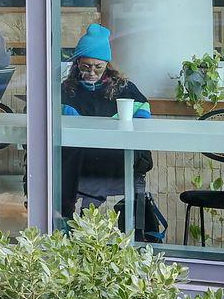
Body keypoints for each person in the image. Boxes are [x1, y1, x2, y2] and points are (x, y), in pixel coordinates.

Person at [57, 25, 158, 236]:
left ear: (107, 65)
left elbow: (143, 110)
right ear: (76, 64)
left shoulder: (123, 87)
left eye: (98, 67)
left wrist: (127, 121)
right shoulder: (66, 90)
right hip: (81, 162)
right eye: (85, 67)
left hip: (113, 159)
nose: (91, 72)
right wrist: (62, 111)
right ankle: (65, 221)